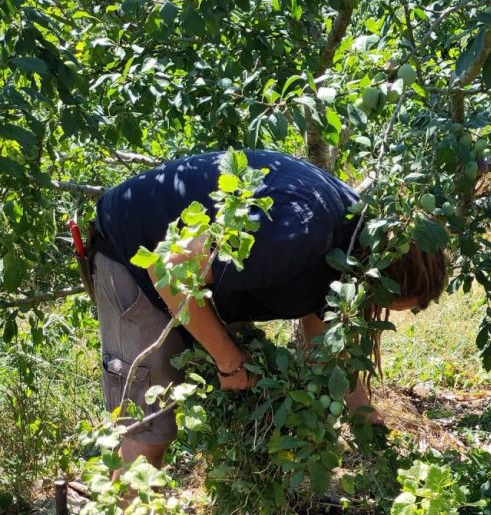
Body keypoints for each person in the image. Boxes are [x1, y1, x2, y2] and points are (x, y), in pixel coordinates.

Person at [87, 149, 447, 470]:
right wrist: (230, 363)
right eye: (380, 302)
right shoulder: (299, 235)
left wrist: (362, 412)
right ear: (379, 275)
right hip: (133, 254)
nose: (371, 311)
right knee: (150, 429)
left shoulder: (352, 239)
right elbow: (169, 268)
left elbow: (320, 330)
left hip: (190, 275)